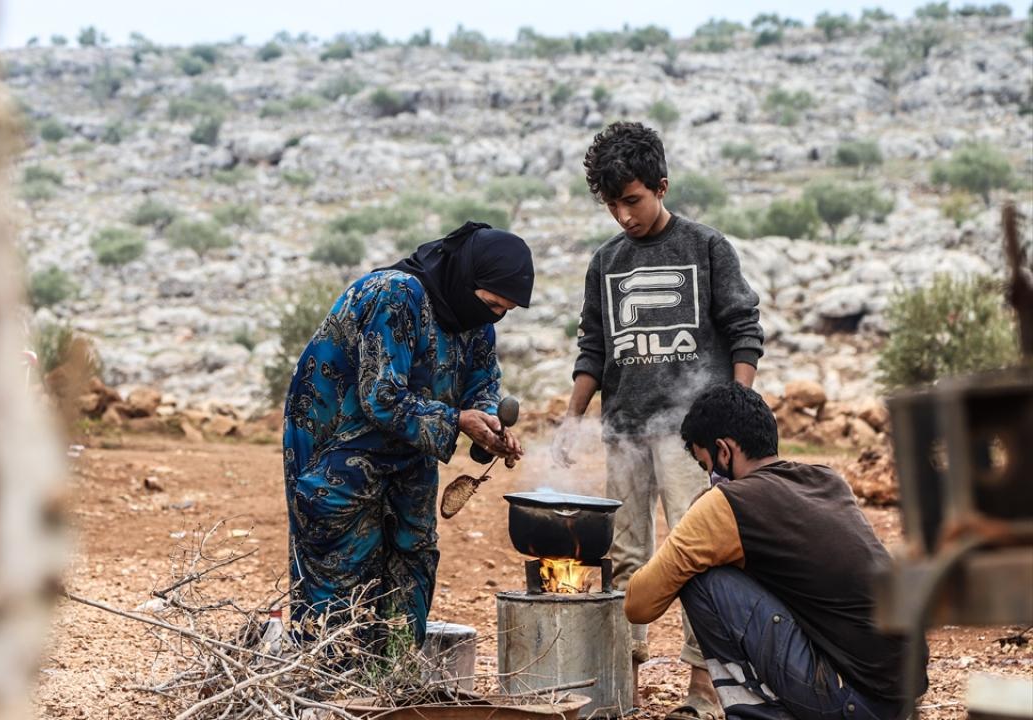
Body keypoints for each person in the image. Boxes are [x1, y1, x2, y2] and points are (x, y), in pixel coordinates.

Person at [555, 121, 766, 720]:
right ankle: (623, 686)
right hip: (624, 428)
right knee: (624, 556)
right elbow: (593, 348)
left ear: (662, 186)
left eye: (633, 200)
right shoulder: (606, 263)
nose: (623, 216)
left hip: (690, 436)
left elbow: (744, 330)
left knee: (697, 551)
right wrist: (573, 420)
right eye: (611, 204)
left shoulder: (705, 247)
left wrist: (733, 415)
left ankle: (702, 691)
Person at [283, 221, 533, 648]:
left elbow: (482, 384)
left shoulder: (474, 320)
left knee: (412, 559)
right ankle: (331, 692)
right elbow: (381, 397)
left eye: (505, 311)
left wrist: (489, 423)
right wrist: (457, 420)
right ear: (466, 276)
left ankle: (396, 683)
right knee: (341, 569)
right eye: (492, 304)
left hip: (409, 453)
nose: (494, 316)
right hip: (338, 454)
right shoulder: (395, 295)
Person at [625, 382, 924, 720]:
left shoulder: (727, 503)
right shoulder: (827, 480)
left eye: (705, 464)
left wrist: (698, 513)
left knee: (701, 579)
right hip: (898, 699)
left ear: (724, 451)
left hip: (849, 700)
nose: (709, 475)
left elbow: (638, 604)